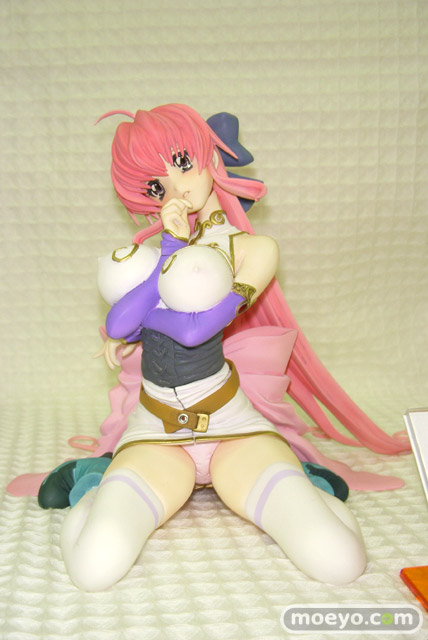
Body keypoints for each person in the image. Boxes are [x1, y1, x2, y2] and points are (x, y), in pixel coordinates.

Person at [33, 104, 409, 591]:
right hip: (155, 432)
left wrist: (150, 304)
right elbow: (119, 323)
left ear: (209, 155)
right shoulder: (154, 255)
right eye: (155, 186)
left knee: (338, 560)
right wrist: (166, 254)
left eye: (181, 163)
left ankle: (308, 484)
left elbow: (198, 329)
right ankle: (92, 481)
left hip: (234, 427)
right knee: (94, 567)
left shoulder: (255, 250)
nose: (175, 188)